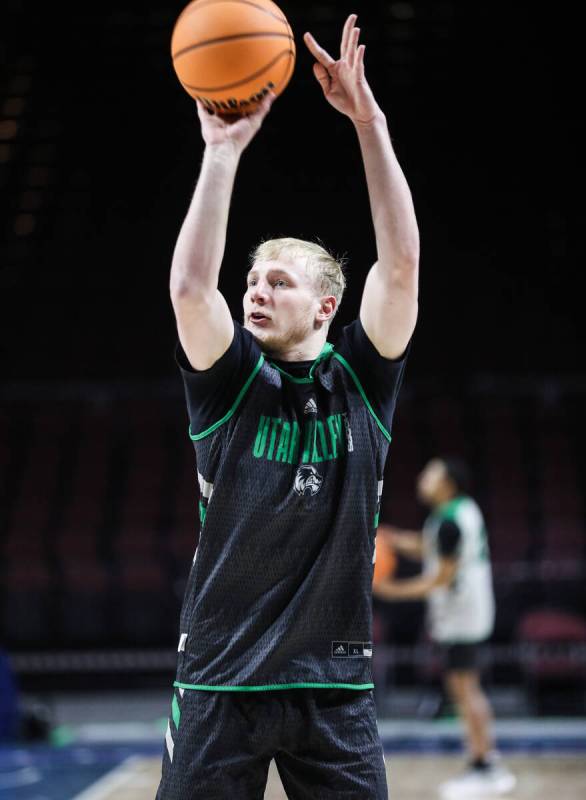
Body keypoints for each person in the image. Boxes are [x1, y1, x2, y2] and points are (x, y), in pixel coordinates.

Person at [157, 13, 419, 799]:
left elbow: (401, 264)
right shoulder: (228, 381)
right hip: (218, 679)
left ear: (328, 306)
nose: (257, 290)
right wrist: (220, 153)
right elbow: (188, 289)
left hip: (332, 686)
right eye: (254, 280)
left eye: (280, 281)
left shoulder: (362, 385)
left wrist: (368, 123)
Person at [373, 457, 517, 799]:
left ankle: (485, 766)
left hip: (462, 614)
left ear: (448, 483)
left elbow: (439, 578)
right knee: (464, 689)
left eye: (431, 474)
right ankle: (485, 760)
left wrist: (391, 591)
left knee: (465, 689)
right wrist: (395, 538)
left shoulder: (450, 522)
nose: (423, 478)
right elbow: (430, 545)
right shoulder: (456, 512)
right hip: (469, 612)